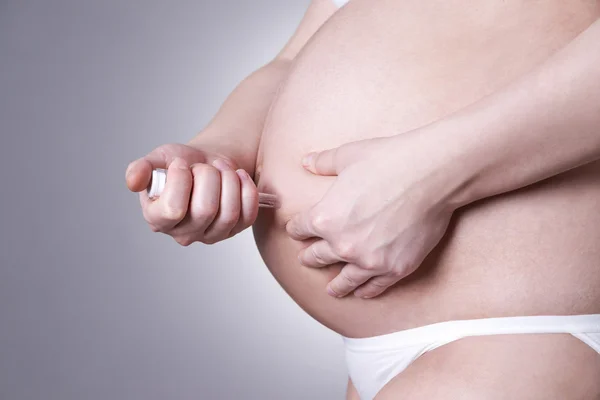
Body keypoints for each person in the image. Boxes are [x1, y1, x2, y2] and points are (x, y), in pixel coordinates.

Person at [126, 0, 600, 398]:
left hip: (525, 333)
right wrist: (219, 152)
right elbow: (293, 59)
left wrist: (432, 178)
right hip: (408, 350)